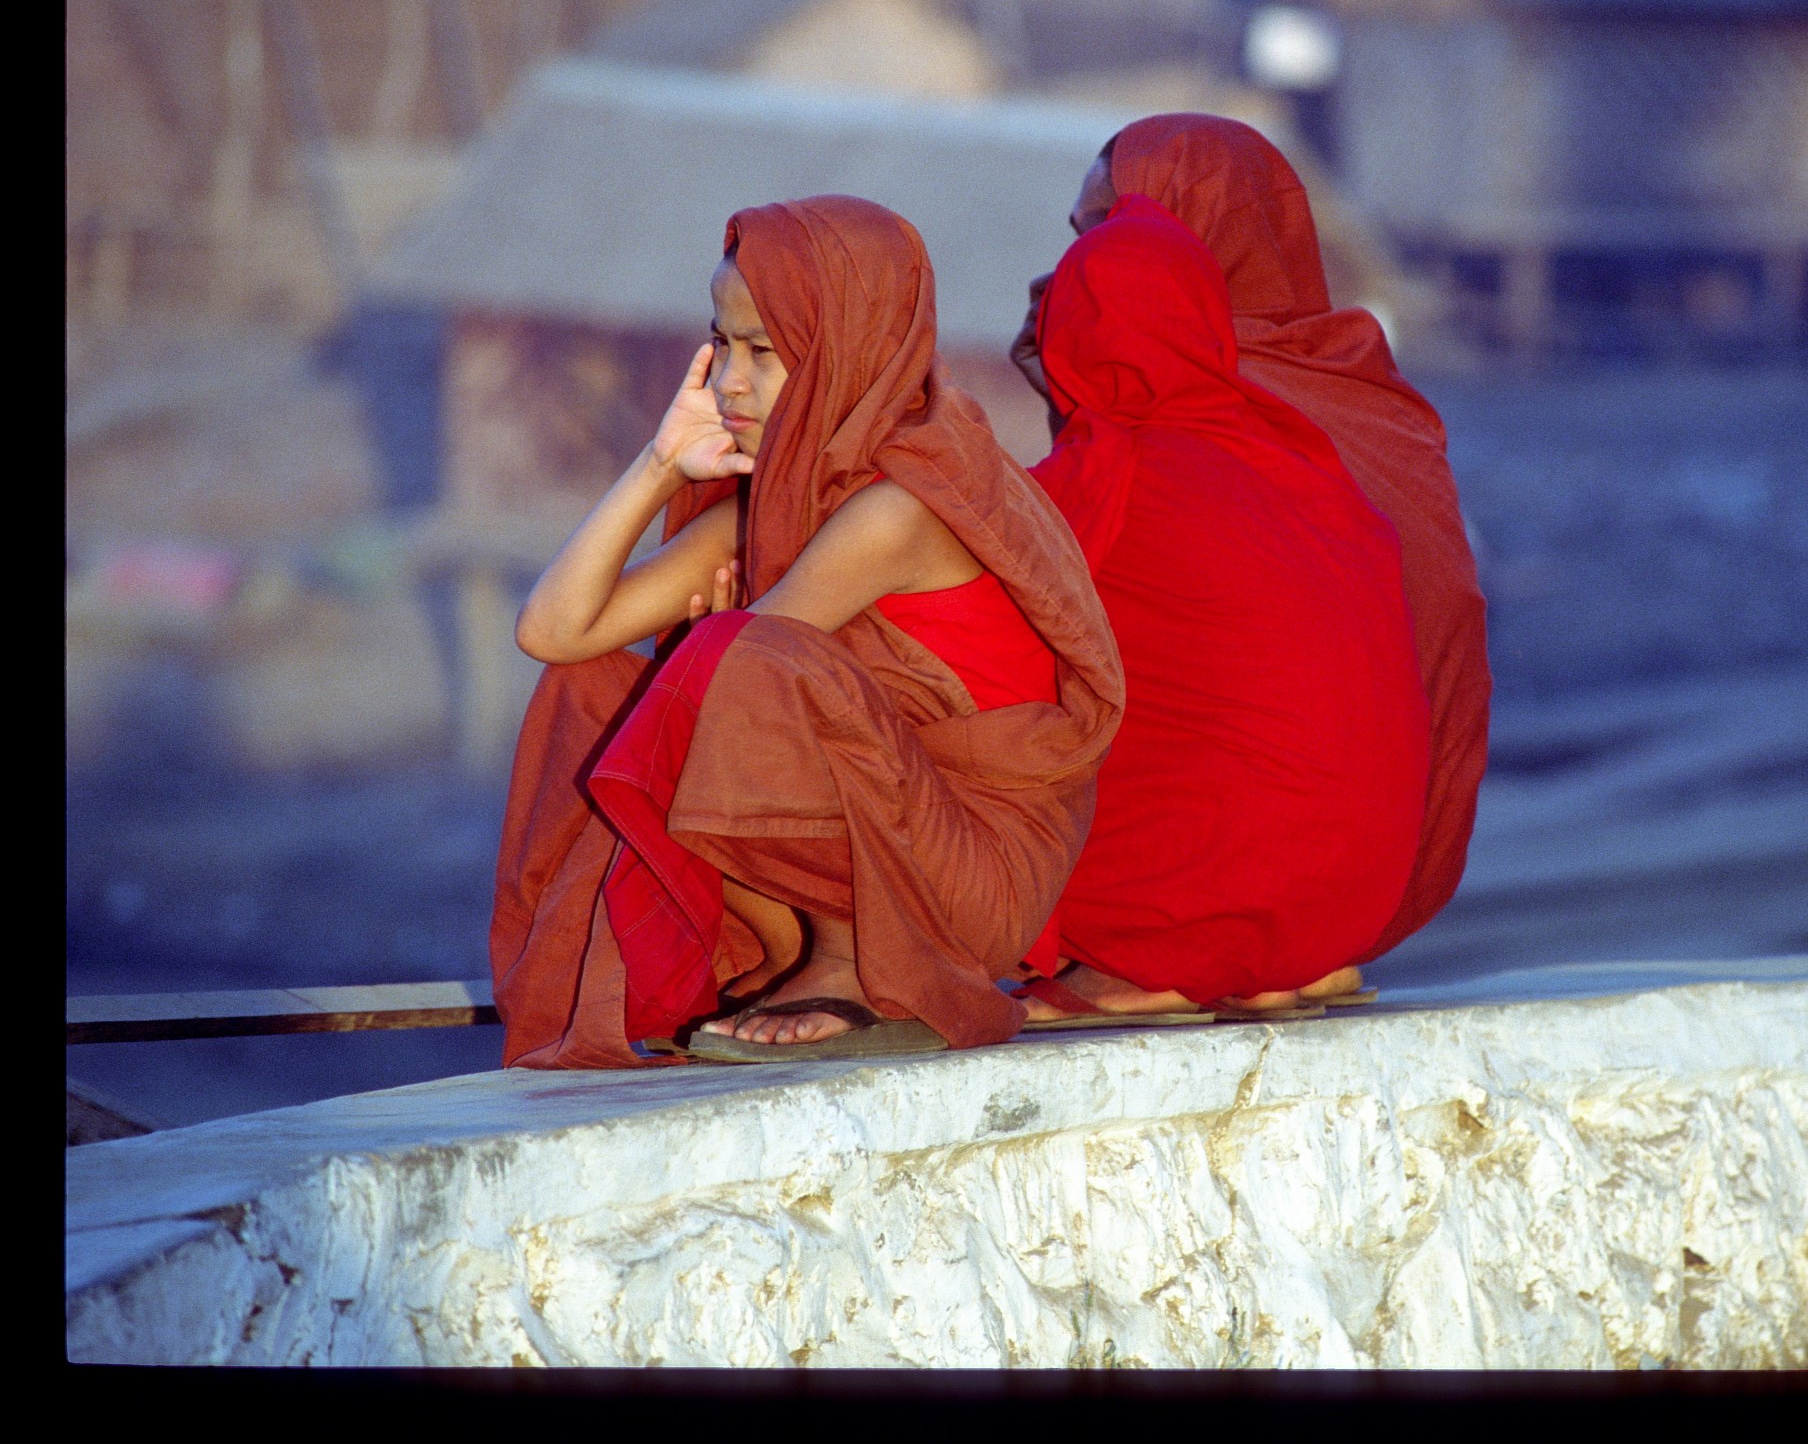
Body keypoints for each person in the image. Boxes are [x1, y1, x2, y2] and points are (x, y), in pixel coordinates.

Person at [491, 195, 1123, 1066]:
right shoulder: (775, 501)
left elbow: (746, 677)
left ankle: (862, 968)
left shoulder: (901, 504)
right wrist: (660, 463)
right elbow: (554, 633)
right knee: (590, 691)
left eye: (765, 353)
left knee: (730, 663)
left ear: (847, 353)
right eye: (722, 347)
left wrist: (710, 648)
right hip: (876, 846)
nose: (728, 385)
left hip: (965, 881)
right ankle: (796, 950)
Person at [1009, 116, 1490, 1015]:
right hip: (1364, 886)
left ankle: (1142, 944)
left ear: (1196, 227)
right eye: (1084, 236)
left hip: (1227, 858)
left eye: (1110, 224)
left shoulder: (1201, 404)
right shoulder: (1356, 388)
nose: (1083, 255)